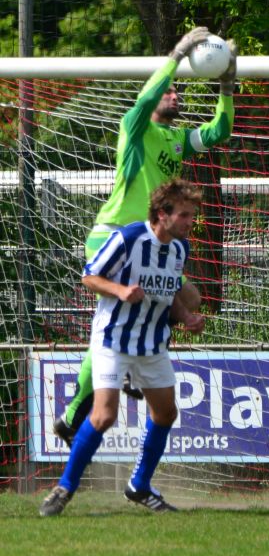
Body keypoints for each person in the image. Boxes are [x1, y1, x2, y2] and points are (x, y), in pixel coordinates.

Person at [53, 26, 237, 446]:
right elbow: (142, 101)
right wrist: (176, 53)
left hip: (148, 242)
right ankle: (83, 405)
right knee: (117, 325)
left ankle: (115, 384)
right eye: (170, 91)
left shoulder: (175, 140)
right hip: (114, 233)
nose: (176, 95)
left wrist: (227, 81)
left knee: (179, 296)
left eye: (177, 91)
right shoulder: (134, 129)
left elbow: (218, 131)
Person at [40, 180, 205, 516]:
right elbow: (89, 276)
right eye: (185, 215)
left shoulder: (178, 249)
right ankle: (64, 488)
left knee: (166, 413)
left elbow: (168, 292)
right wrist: (119, 291)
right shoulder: (128, 238)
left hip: (153, 344)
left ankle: (139, 486)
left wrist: (186, 315)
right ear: (163, 213)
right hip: (113, 339)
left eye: (192, 215)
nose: (191, 222)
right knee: (103, 415)